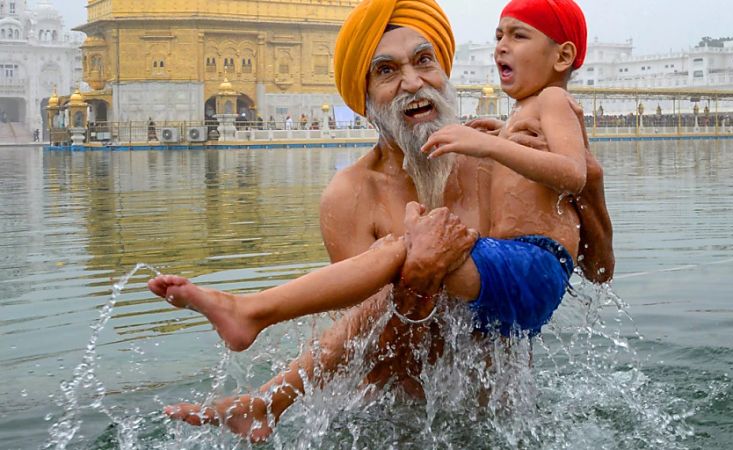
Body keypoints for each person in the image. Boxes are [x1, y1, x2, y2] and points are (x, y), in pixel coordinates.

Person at [149, 0, 613, 442]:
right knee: (408, 256)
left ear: (444, 72)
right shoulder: (352, 196)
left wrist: (590, 184)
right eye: (387, 71)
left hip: (502, 417)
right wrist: (418, 279)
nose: (413, 83)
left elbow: (596, 271)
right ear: (365, 98)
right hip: (403, 423)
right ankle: (263, 374)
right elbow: (370, 354)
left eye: (424, 61)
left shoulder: (490, 156)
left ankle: (260, 356)